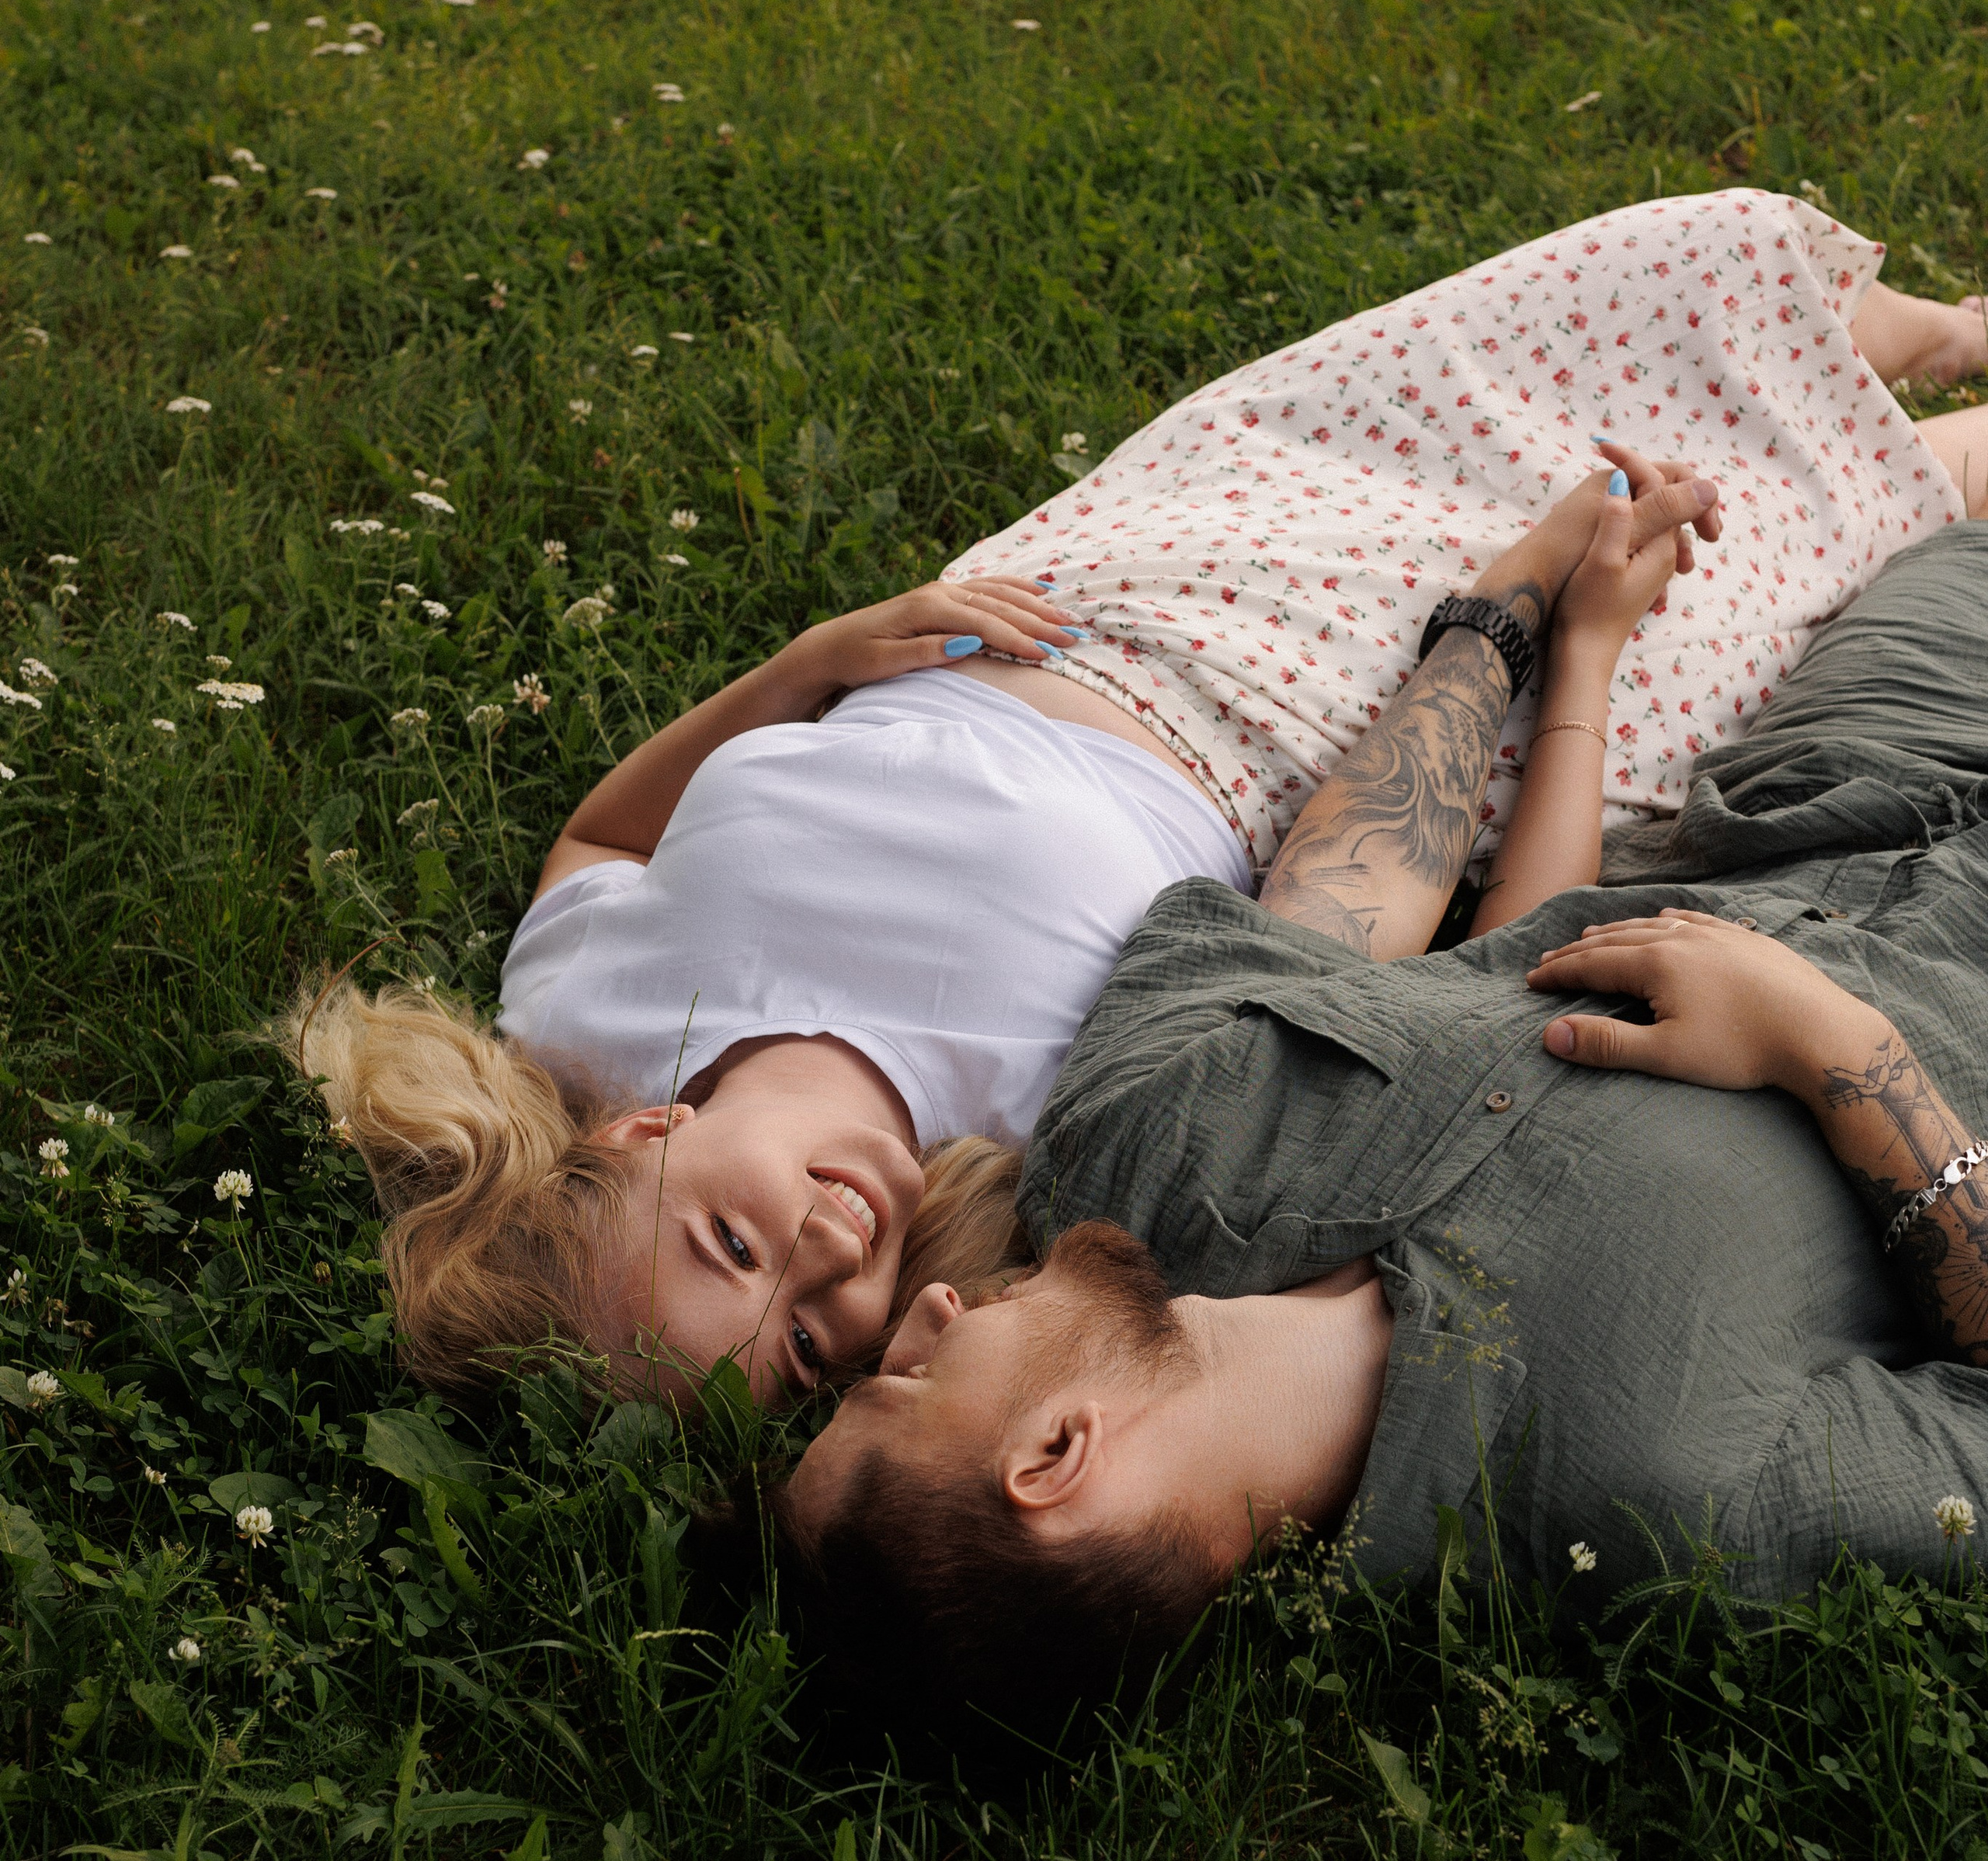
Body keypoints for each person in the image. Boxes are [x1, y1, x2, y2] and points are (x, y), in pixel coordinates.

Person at [288, 188, 1988, 1399]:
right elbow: (1374, 952)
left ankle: (1934, 330)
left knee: (1636, 280)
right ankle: (1931, 448)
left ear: (642, 1134)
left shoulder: (593, 1007)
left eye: (736, 1244)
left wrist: (808, 664)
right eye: (810, 1340)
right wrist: (1527, 631)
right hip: (1319, 712)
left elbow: (598, 836)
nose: (827, 1250)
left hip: (1100, 583)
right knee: (1758, 523)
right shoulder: (1043, 1145)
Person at [759, 521, 1988, 1749]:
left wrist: (1506, 620)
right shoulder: (1651, 1511)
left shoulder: (1133, 1142)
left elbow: (1351, 888)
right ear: (1055, 1454)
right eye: (905, 1381)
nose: (922, 1311)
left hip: (1840, 770)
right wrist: (1838, 1055)